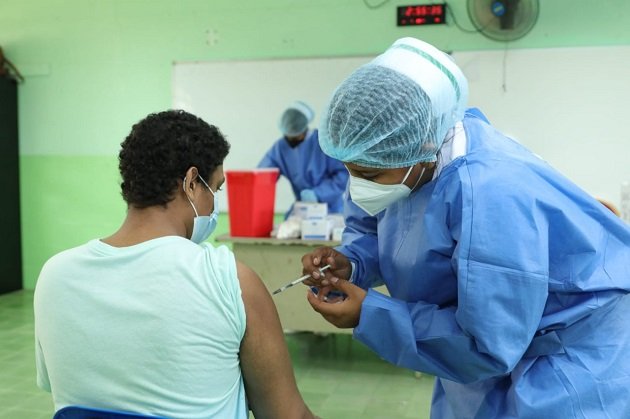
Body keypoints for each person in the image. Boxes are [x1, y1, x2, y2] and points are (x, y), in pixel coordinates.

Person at [300, 37, 630, 418]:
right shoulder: (396, 162)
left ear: (423, 145)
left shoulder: (490, 192)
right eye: (349, 170)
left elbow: (487, 341)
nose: (357, 184)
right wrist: (351, 263)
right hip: (478, 350)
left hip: (566, 361)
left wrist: (369, 315)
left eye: (368, 173)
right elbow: (377, 228)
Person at [34, 110, 315, 419]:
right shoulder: (228, 279)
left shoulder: (55, 275)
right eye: (216, 189)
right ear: (192, 182)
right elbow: (288, 415)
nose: (214, 204)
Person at [258, 101, 348, 217]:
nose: (291, 140)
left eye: (296, 135)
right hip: (302, 206)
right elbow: (263, 174)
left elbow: (343, 175)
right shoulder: (281, 147)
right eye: (288, 136)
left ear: (304, 128)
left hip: (331, 209)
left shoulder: (323, 143)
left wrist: (318, 194)